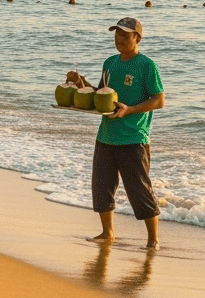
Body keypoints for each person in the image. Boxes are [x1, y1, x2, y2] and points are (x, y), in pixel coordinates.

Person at [67, 17, 165, 249]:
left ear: (137, 38)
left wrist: (130, 110)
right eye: (116, 35)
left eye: (124, 35)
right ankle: (107, 233)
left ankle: (153, 239)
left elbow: (159, 99)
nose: (118, 39)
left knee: (139, 190)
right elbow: (101, 94)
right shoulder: (110, 62)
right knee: (101, 187)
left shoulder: (146, 65)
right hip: (106, 136)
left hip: (133, 137)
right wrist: (79, 81)